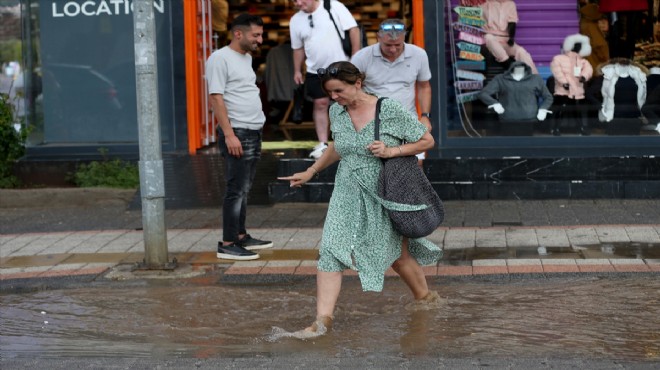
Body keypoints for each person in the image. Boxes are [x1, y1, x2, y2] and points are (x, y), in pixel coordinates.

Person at [278, 61, 444, 337]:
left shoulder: (387, 109)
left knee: (398, 257)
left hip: (382, 190)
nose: (334, 98)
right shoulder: (337, 110)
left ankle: (426, 299)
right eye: (330, 93)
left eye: (338, 91)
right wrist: (312, 170)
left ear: (357, 83)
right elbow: (338, 146)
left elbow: (426, 141)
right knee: (331, 251)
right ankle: (322, 321)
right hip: (346, 189)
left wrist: (392, 150)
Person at [205, 14, 273, 261]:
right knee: (236, 189)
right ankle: (228, 242)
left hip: (253, 130)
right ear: (238, 33)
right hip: (238, 132)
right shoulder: (219, 58)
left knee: (245, 187)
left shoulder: (245, 58)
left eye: (261, 34)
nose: (260, 39)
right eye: (256, 35)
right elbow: (216, 97)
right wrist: (229, 134)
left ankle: (240, 235)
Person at [351, 18, 432, 161]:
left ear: (404, 38)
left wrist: (425, 116)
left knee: (415, 163)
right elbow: (352, 91)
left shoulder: (418, 54)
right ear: (378, 37)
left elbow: (424, 86)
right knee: (373, 163)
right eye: (388, 45)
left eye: (398, 45)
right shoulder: (361, 57)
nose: (393, 49)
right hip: (373, 121)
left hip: (407, 117)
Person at [289, 0, 360, 159]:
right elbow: (298, 48)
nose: (298, 3)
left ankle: (351, 142)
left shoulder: (333, 5)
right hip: (315, 70)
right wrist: (297, 70)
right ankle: (323, 143)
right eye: (294, 0)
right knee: (320, 104)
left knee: (348, 103)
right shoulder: (295, 20)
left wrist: (356, 57)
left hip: (342, 66)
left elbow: (353, 30)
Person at [478, 0, 538, 74]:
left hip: (504, 39)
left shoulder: (510, 4)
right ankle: (508, 65)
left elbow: (512, 22)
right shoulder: (483, 3)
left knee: (521, 52)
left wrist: (511, 38)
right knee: (488, 38)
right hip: (489, 38)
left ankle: (536, 78)